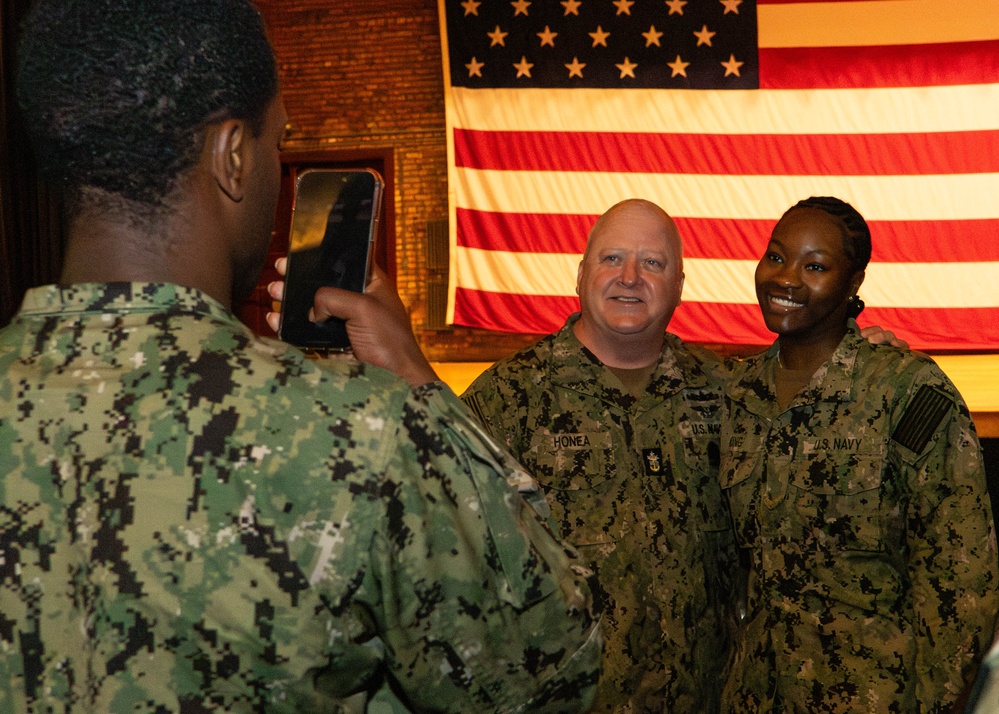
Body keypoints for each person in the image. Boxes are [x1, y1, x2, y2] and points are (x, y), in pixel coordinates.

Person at [0, 1, 602, 712]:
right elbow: (553, 665)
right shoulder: (364, 437)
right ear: (233, 156)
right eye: (278, 146)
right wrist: (418, 390)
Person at [718, 196, 999, 712]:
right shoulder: (735, 395)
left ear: (853, 284)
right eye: (776, 257)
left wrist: (936, 703)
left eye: (816, 266)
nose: (786, 279)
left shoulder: (905, 392)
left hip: (873, 698)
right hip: (755, 696)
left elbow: (961, 577)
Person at [460, 198, 738, 712]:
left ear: (680, 283)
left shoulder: (728, 393)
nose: (630, 277)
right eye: (612, 259)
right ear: (581, 274)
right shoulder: (504, 400)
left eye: (652, 263)